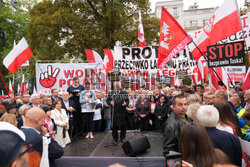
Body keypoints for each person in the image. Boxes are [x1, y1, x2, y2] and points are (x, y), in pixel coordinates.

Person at [106, 81, 129, 145]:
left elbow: (127, 101)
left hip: (122, 112)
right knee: (114, 127)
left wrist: (126, 103)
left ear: (120, 86)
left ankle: (122, 138)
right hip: (114, 112)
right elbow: (107, 100)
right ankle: (115, 139)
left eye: (118, 86)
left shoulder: (124, 93)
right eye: (116, 86)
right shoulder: (111, 93)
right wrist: (110, 102)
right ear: (114, 86)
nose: (118, 87)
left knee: (123, 126)